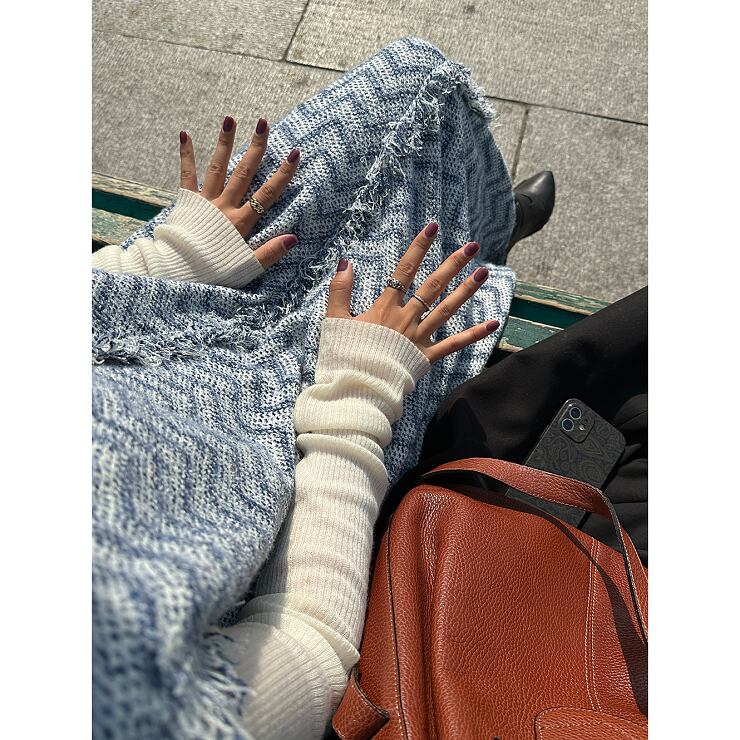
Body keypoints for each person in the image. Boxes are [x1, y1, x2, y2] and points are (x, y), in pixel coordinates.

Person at [92, 38, 553, 740]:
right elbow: (307, 647)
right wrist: (362, 388)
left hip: (160, 312)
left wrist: (168, 257)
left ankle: (484, 221)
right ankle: (488, 238)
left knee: (413, 85)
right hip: (303, 441)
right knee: (422, 271)